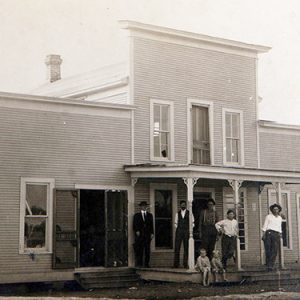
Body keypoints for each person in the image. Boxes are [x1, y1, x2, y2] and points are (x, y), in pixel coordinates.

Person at [262, 203, 284, 272]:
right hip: (269, 233)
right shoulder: (268, 216)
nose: (275, 210)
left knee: (274, 250)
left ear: (279, 210)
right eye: (274, 209)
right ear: (272, 210)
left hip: (276, 234)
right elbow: (265, 225)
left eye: (277, 209)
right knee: (268, 250)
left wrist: (280, 233)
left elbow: (279, 227)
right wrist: (264, 234)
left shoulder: (280, 218)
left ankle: (271, 265)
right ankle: (268, 265)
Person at [133, 201, 154, 267]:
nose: (144, 207)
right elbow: (134, 225)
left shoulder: (150, 215)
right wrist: (137, 231)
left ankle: (146, 264)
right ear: (140, 207)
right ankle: (140, 264)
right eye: (142, 206)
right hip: (140, 235)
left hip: (147, 235)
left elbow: (151, 225)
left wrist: (152, 233)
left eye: (145, 206)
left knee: (147, 250)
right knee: (140, 250)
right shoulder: (136, 215)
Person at [174, 200, 193, 268]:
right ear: (180, 205)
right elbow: (175, 223)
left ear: (186, 205)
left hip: (186, 232)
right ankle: (176, 264)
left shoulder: (189, 213)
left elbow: (192, 223)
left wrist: (188, 229)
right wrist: (179, 228)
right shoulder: (177, 213)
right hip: (179, 231)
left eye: (184, 204)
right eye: (182, 204)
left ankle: (185, 264)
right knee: (177, 247)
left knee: (186, 247)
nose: (183, 206)